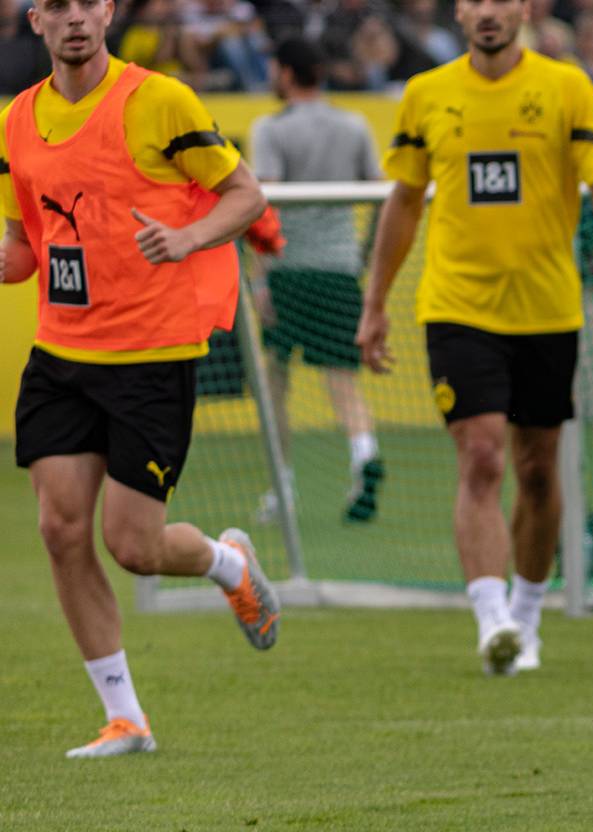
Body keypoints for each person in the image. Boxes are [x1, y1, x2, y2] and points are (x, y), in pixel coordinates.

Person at [1, 0, 280, 758]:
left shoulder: (159, 99)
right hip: (61, 356)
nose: (75, 19)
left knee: (134, 546)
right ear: (36, 21)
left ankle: (230, 563)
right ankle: (126, 717)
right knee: (60, 530)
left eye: (87, 3)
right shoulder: (17, 119)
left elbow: (245, 195)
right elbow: (25, 245)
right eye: (57, 6)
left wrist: (185, 237)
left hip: (149, 358)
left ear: (108, 12)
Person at [358, 0, 593, 675]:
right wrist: (375, 303)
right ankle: (491, 623)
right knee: (481, 457)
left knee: (537, 471)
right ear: (460, 12)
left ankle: (528, 613)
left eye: (501, 0)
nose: (488, 11)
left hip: (546, 312)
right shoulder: (427, 94)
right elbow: (403, 202)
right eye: (475, 0)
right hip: (457, 308)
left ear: (525, 9)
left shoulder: (566, 87)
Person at [248, 37, 386, 525]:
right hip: (339, 267)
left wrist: (260, 281)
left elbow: (259, 207)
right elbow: (381, 197)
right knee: (344, 382)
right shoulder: (354, 126)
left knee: (275, 382)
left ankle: (282, 487)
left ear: (286, 73)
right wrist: (365, 257)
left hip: (289, 269)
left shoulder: (270, 128)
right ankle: (364, 454)